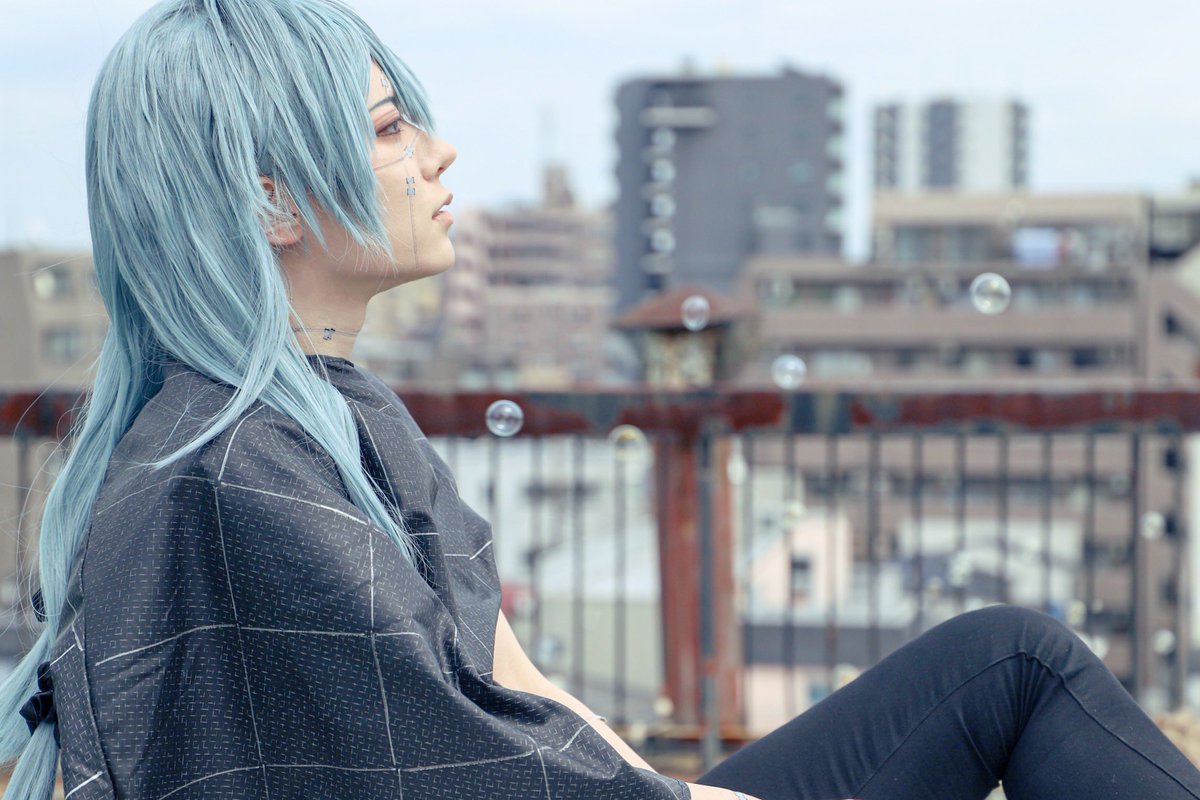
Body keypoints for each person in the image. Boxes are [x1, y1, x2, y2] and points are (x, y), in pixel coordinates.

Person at [2, 1, 1199, 799]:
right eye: (389, 127)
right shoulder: (233, 472)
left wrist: (690, 794)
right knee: (1018, 662)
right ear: (271, 202)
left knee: (1003, 656)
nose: (439, 152)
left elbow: (524, 691)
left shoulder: (325, 415)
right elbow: (460, 760)